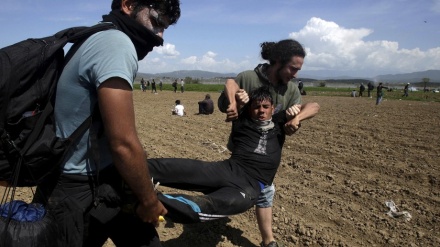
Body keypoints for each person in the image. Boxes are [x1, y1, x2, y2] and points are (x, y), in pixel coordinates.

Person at [32, 1, 181, 246]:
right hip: (75, 186)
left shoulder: (95, 34)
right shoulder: (116, 44)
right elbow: (122, 142)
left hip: (102, 176)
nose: (159, 36)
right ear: (128, 5)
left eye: (165, 28)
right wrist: (148, 200)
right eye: (156, 22)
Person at [148, 86, 319, 225]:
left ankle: (149, 201)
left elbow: (314, 106)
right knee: (169, 167)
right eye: (256, 107)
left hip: (250, 186)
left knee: (205, 207)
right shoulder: (242, 119)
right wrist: (234, 100)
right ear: (250, 109)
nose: (261, 111)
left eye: (265, 107)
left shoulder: (279, 122)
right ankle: (128, 172)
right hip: (228, 169)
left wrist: (297, 117)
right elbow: (230, 82)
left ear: (272, 109)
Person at [218, 39, 319, 247]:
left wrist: (295, 122)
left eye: (298, 69)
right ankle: (209, 212)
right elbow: (224, 104)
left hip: (267, 156)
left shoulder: (291, 91)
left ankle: (268, 241)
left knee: (265, 193)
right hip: (243, 151)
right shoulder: (248, 78)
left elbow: (290, 125)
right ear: (278, 61)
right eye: (293, 68)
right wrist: (235, 101)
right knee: (236, 186)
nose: (295, 74)